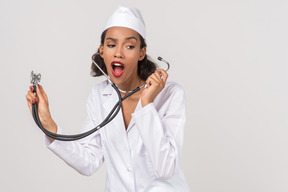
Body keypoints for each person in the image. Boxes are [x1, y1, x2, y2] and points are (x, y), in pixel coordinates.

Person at [26, 6, 190, 192]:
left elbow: (166, 168)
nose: (118, 53)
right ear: (102, 51)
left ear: (141, 53)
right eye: (111, 45)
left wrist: (147, 105)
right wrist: (48, 123)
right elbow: (89, 162)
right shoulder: (99, 96)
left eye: (129, 46)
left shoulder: (171, 94)